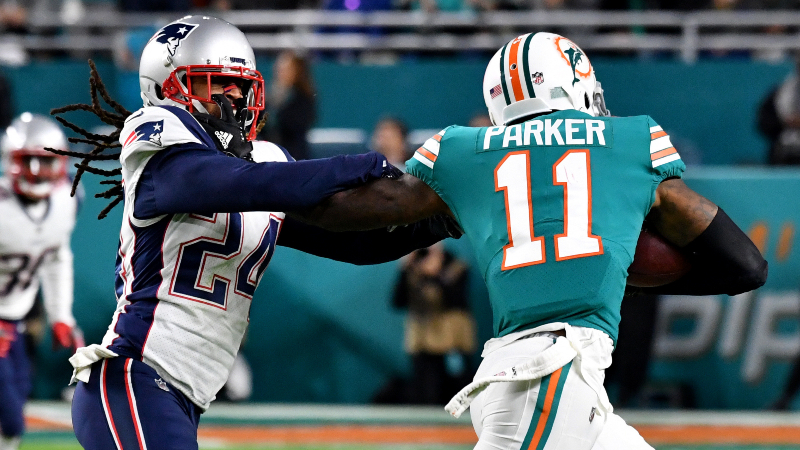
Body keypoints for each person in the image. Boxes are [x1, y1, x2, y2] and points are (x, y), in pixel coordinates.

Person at [297, 32, 768, 450]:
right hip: (547, 376)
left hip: (554, 380)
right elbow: (746, 264)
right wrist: (628, 276)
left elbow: (360, 230)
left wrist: (260, 199)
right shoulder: (630, 140)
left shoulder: (468, 154)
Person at [55, 16, 458, 450]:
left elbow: (354, 241)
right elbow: (240, 183)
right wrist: (360, 163)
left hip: (180, 395)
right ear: (168, 88)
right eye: (216, 84)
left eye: (240, 86)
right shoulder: (157, 139)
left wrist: (440, 220)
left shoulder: (261, 163)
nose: (233, 97)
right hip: (133, 377)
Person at [0, 113, 83, 450]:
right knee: (8, 412)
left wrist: (61, 315)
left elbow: (57, 258)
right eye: (27, 160)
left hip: (17, 317)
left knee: (14, 414)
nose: (35, 171)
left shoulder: (67, 202)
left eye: (44, 160)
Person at [392, 243, 475, 404]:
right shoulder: (412, 267)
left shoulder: (456, 265)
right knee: (427, 391)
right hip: (422, 339)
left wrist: (436, 275)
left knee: (458, 388)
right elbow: (397, 302)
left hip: (452, 339)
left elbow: (456, 300)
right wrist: (403, 270)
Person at [258, 50, 316, 160]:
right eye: (278, 69)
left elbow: (296, 125)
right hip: (269, 157)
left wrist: (276, 108)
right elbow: (260, 126)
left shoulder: (303, 98)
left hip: (294, 157)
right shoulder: (268, 97)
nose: (279, 73)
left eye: (284, 69)